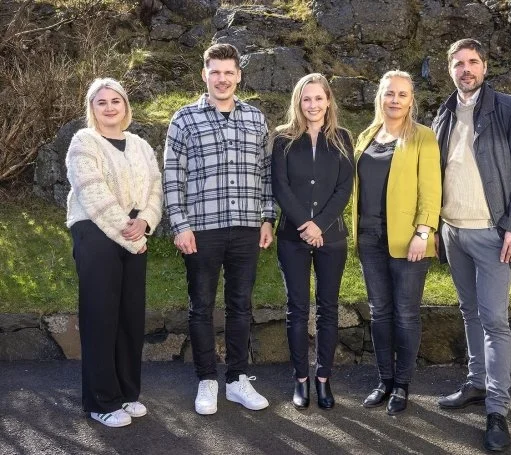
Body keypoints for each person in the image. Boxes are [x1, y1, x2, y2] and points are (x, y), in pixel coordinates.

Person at [432, 38, 511, 452]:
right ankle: (477, 384)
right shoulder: (442, 114)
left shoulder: (510, 109)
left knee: (494, 319)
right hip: (453, 231)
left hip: (493, 234)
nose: (466, 69)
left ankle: (497, 408)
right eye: (458, 63)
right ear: (450, 70)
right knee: (469, 310)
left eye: (473, 62)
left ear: (485, 66)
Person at [163, 43, 275, 415]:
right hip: (202, 230)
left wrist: (266, 217)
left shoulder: (256, 119)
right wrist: (179, 225)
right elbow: (172, 177)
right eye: (216, 72)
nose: (222, 79)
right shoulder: (183, 119)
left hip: (245, 227)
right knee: (202, 307)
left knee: (240, 306)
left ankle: (237, 380)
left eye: (229, 72)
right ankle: (208, 379)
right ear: (204, 74)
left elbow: (266, 174)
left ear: (239, 75)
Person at [66, 78, 163, 427]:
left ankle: (126, 394)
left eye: (115, 101)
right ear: (92, 109)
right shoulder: (84, 142)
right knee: (101, 317)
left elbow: (155, 189)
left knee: (129, 318)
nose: (109, 107)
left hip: (136, 233)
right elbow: (92, 192)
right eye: (101, 102)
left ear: (125, 106)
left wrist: (147, 223)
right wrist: (129, 231)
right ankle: (101, 401)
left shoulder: (140, 145)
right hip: (96, 231)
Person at [352, 70, 441, 416]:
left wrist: (423, 232)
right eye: (390, 93)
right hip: (370, 238)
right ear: (380, 97)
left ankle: (402, 385)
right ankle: (383, 380)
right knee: (379, 312)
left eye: (403, 94)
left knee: (405, 314)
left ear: (411, 100)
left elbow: (431, 190)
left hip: (408, 241)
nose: (395, 100)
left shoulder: (423, 137)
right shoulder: (366, 136)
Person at [271, 73, 354, 410]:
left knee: (328, 309)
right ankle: (300, 380)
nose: (313, 105)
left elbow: (344, 188)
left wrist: (319, 225)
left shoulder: (343, 139)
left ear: (328, 101)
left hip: (331, 237)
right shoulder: (283, 140)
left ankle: (323, 379)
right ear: (298, 102)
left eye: (319, 98)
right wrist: (305, 225)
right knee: (297, 309)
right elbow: (280, 186)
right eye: (307, 99)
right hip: (292, 237)